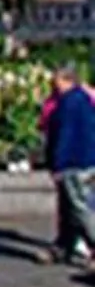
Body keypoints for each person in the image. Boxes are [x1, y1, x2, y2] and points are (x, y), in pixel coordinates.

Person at [42, 63, 95, 267]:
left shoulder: (69, 103)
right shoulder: (83, 99)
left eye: (56, 81)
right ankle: (63, 246)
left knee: (79, 207)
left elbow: (66, 135)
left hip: (74, 162)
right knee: (68, 208)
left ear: (66, 80)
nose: (52, 85)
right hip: (86, 160)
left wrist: (58, 164)